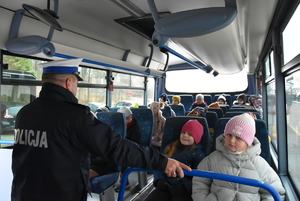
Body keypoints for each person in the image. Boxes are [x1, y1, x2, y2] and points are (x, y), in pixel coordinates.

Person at [11, 58, 191, 201]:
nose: (76, 89)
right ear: (68, 83)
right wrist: (162, 162)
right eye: (76, 84)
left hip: (22, 192)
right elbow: (116, 147)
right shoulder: (74, 116)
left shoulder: (25, 113)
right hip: (60, 194)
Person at [192, 113, 285, 200]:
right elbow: (199, 182)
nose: (232, 141)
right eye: (229, 135)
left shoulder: (259, 164)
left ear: (248, 142)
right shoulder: (213, 159)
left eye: (238, 138)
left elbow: (274, 192)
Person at [145, 120, 206, 201]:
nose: (185, 136)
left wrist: (185, 187)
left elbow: (200, 179)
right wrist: (159, 180)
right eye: (183, 132)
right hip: (165, 186)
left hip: (183, 190)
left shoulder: (198, 154)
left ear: (196, 138)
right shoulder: (171, 147)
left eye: (190, 134)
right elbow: (160, 163)